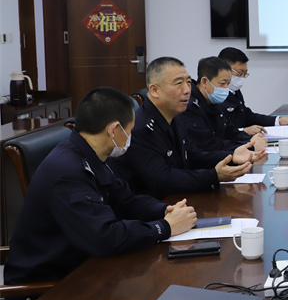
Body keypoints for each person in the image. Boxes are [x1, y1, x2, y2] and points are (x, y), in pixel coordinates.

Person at [4, 87, 197, 285]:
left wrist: (165, 210)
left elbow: (125, 200)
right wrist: (164, 227)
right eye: (129, 131)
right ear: (114, 130)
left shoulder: (91, 154)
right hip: (48, 286)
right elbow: (104, 236)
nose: (131, 137)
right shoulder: (67, 173)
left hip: (85, 264)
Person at [110, 57, 264, 199]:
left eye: (188, 82)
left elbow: (193, 156)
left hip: (177, 199)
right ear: (155, 90)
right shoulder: (140, 129)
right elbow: (162, 180)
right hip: (150, 207)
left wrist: (232, 156)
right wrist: (214, 176)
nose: (187, 90)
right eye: (178, 83)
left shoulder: (174, 116)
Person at [176, 56, 266, 153]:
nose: (226, 88)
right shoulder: (189, 106)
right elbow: (209, 145)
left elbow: (229, 131)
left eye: (228, 83)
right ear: (204, 82)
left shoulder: (213, 100)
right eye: (222, 83)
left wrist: (251, 139)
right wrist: (249, 145)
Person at [217, 47, 288, 136]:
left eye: (245, 74)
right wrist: (243, 131)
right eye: (239, 73)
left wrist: (278, 121)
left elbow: (246, 116)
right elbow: (219, 130)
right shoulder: (216, 94)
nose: (242, 78)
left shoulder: (235, 91)